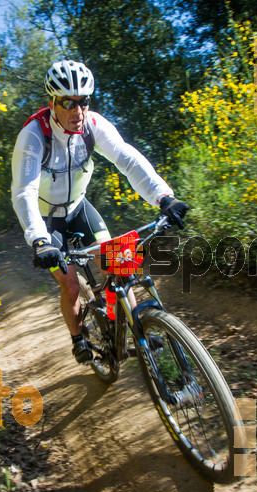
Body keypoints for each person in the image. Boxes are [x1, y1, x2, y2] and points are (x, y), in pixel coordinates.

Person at [11, 60, 188, 364]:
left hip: (79, 207)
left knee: (118, 266)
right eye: (68, 102)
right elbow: (23, 191)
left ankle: (136, 332)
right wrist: (39, 239)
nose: (77, 111)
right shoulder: (34, 135)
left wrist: (164, 197)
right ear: (52, 103)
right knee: (69, 286)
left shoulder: (92, 125)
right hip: (47, 222)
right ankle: (78, 336)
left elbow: (127, 158)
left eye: (83, 102)